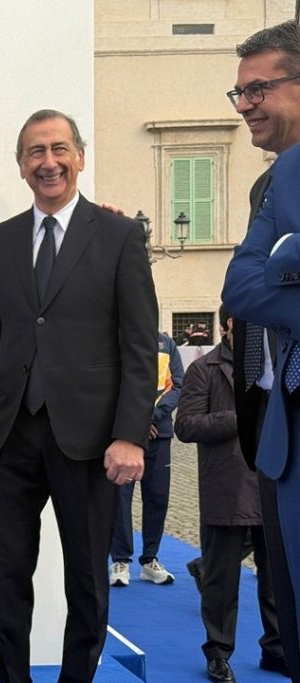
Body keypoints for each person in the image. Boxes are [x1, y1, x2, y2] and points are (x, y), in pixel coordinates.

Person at [0, 109, 157, 682]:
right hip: (11, 436)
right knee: (6, 574)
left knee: (87, 580)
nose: (47, 162)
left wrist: (128, 435)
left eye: (58, 149)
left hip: (92, 439)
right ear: (21, 166)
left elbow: (140, 345)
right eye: (34, 153)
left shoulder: (120, 235)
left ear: (79, 154)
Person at [227, 20, 300, 682]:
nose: (247, 103)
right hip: (276, 429)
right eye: (239, 92)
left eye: (260, 88)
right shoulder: (269, 184)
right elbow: (242, 286)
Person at [175, 306, 284, 683]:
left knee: (276, 582)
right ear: (231, 325)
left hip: (273, 485)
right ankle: (219, 654)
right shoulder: (203, 369)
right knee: (221, 584)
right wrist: (241, 415)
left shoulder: (279, 363)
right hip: (227, 489)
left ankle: (277, 649)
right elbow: (186, 426)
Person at [109, 331, 183, 587]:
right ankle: (120, 560)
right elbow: (110, 384)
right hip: (125, 434)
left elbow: (178, 385)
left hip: (158, 433)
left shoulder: (167, 344)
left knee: (157, 497)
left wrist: (151, 417)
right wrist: (135, 421)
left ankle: (150, 559)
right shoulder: (116, 339)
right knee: (120, 498)